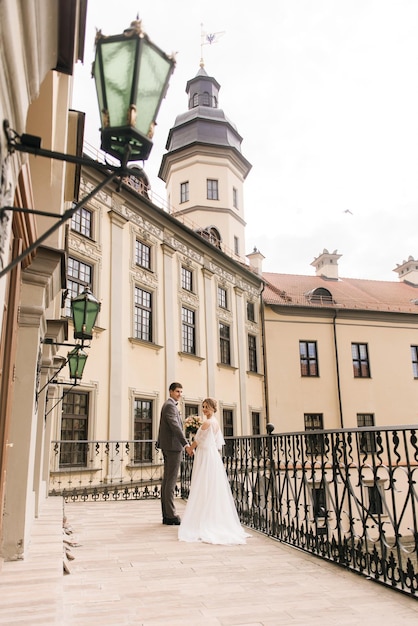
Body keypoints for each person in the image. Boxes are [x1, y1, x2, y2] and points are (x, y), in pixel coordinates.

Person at [178, 398, 250, 544]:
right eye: (203, 407)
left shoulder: (207, 423)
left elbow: (198, 439)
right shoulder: (216, 422)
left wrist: (190, 449)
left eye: (207, 407)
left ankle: (203, 520)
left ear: (213, 408)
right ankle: (211, 518)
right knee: (211, 486)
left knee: (202, 484)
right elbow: (218, 443)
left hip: (205, 455)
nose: (204, 409)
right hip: (212, 456)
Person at [157, 382, 193, 525]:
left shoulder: (169, 405)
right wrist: (186, 444)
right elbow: (175, 427)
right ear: (171, 392)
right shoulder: (170, 406)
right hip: (173, 447)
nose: (180, 394)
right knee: (170, 481)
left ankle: (167, 515)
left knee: (167, 481)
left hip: (169, 446)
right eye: (177, 391)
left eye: (181, 392)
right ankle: (171, 515)